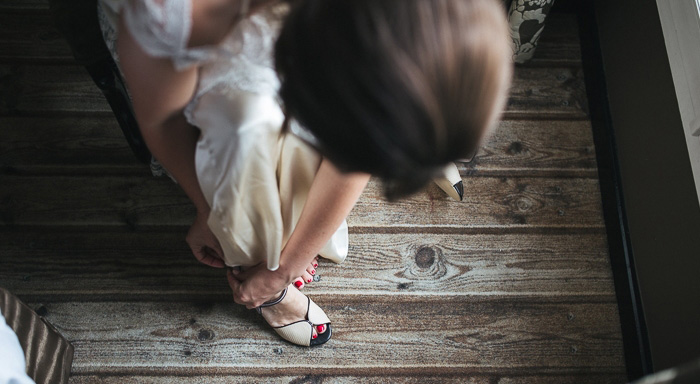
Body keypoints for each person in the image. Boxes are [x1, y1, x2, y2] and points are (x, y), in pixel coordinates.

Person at [103, 0, 512, 346]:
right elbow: (164, 122)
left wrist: (290, 261)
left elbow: (351, 150)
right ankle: (265, 267)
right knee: (245, 129)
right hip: (222, 89)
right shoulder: (175, 15)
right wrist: (210, 210)